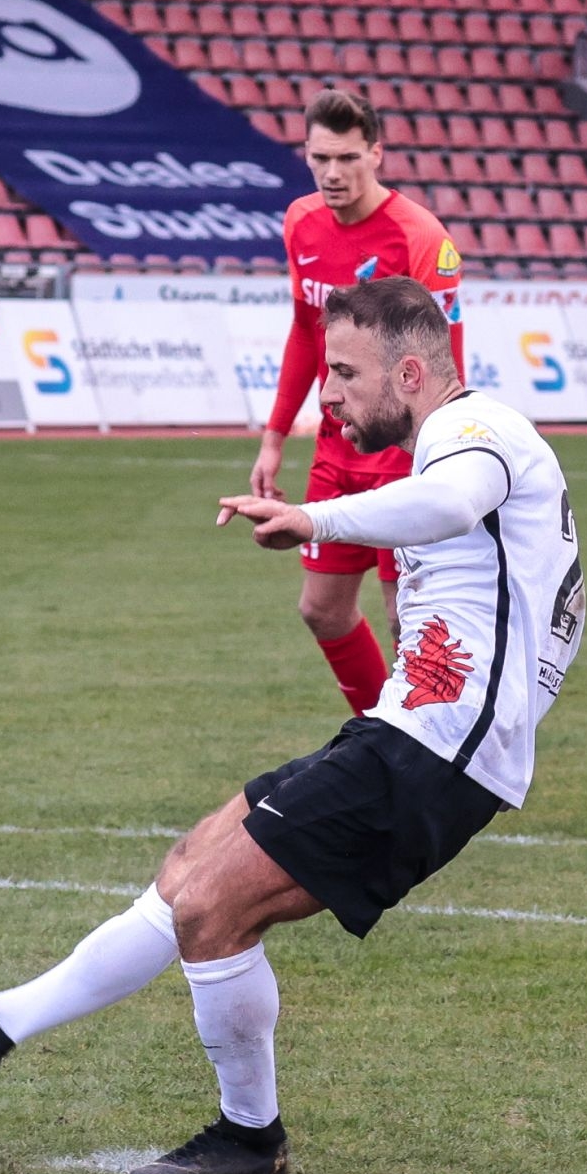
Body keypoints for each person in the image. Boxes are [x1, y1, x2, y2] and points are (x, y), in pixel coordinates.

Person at [0, 277, 582, 1174]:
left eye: (346, 373)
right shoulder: (459, 441)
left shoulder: (475, 429)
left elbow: (452, 505)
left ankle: (248, 1139)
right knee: (190, 867)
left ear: (411, 374)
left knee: (214, 909)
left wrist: (315, 517)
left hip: (437, 753)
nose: (328, 395)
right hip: (410, 733)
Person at [254, 89, 466, 717]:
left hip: (401, 452)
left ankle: (429, 750)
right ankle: (382, 734)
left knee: (409, 620)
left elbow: (444, 362)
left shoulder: (419, 236)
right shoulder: (301, 221)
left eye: (347, 157)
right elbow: (305, 332)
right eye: (320, 158)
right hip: (335, 448)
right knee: (322, 609)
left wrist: (431, 458)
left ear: (376, 154)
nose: (332, 173)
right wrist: (273, 438)